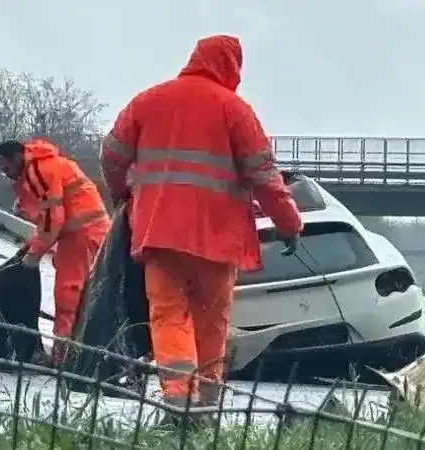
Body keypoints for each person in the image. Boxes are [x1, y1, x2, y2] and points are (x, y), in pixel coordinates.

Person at [99, 34, 304, 408]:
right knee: (212, 322)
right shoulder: (236, 110)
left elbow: (111, 155)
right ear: (232, 66)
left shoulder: (148, 101)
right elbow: (265, 178)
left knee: (168, 314)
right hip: (218, 240)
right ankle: (208, 404)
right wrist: (289, 225)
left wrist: (122, 193)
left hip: (160, 234)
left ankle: (177, 401)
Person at [0, 138, 111, 364]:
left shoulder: (40, 172)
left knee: (67, 295)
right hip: (89, 233)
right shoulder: (43, 166)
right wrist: (32, 244)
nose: (7, 174)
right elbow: (47, 219)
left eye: (7, 169)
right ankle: (76, 352)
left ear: (17, 158)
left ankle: (62, 357)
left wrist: (33, 255)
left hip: (82, 236)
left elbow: (53, 221)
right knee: (82, 295)